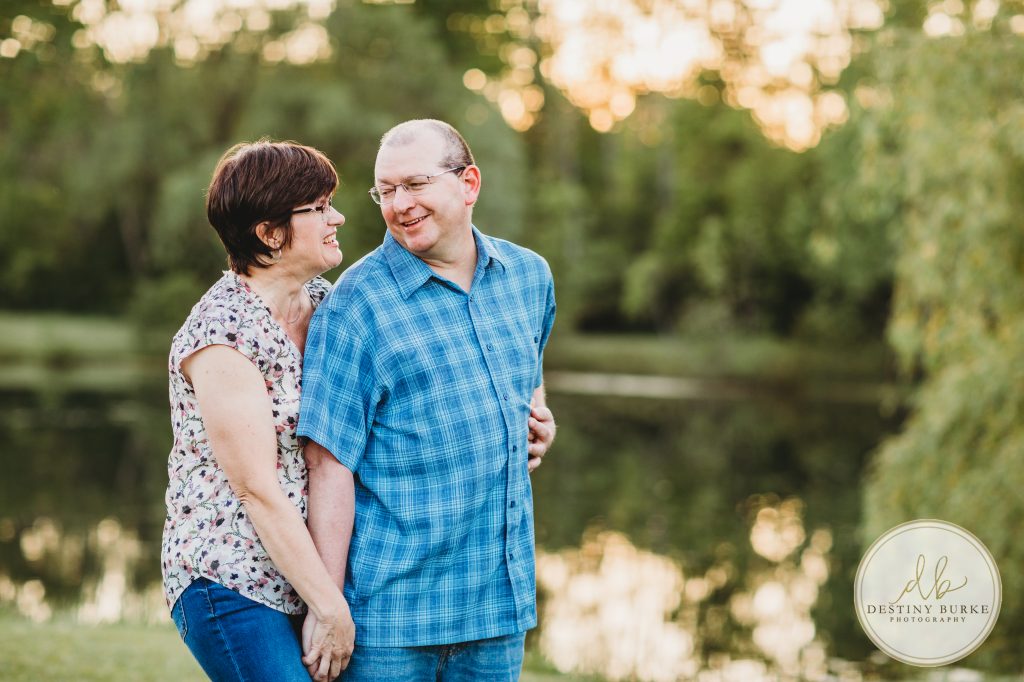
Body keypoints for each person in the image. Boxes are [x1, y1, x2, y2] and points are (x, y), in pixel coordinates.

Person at [297, 119, 557, 681]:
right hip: (391, 621)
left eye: (414, 184)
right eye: (385, 191)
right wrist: (327, 605)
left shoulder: (529, 277)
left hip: (496, 608)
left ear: (469, 183)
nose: (399, 204)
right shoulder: (355, 306)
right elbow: (328, 464)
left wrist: (539, 418)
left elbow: (529, 377)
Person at [161, 140, 355, 682]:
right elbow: (257, 489)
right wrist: (330, 608)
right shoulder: (222, 334)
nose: (336, 217)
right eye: (318, 208)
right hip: (229, 582)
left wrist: (525, 410)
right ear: (270, 233)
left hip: (305, 572)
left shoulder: (323, 300)